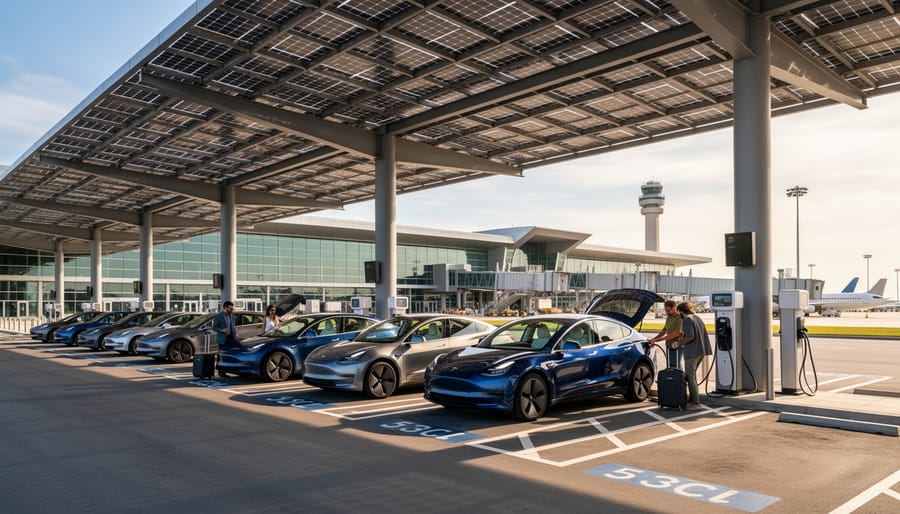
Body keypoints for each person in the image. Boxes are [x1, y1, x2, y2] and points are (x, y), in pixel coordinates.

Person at [672, 301, 713, 410]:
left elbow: (690, 336)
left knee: (690, 377)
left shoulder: (687, 319)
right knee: (692, 376)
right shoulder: (697, 317)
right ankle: (692, 399)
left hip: (692, 352)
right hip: (701, 351)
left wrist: (678, 343)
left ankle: (695, 402)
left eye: (679, 312)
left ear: (681, 311)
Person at [649, 300, 683, 369]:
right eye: (666, 310)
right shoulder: (669, 317)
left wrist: (658, 340)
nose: (667, 312)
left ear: (674, 307)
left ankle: (679, 376)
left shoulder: (679, 318)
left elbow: (676, 333)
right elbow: (664, 330)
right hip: (669, 345)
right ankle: (676, 376)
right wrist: (654, 339)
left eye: (668, 310)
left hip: (677, 345)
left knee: (675, 365)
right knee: (671, 365)